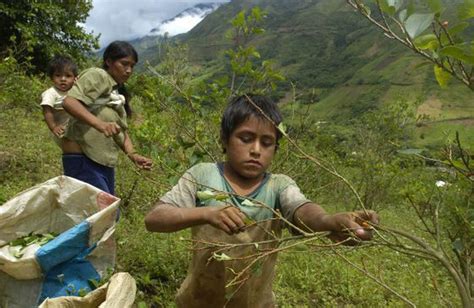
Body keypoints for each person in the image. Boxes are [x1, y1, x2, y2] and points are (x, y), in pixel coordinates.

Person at [144, 94, 379, 307]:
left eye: (266, 143)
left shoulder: (279, 186)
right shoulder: (203, 175)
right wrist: (206, 213)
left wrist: (328, 221)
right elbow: (155, 219)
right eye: (245, 139)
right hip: (198, 301)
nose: (256, 150)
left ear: (275, 149)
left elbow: (302, 209)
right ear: (224, 140)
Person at [62, 41, 152, 195]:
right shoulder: (98, 75)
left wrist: (133, 155)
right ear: (109, 61)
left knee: (104, 213)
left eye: (132, 66)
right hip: (83, 158)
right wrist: (100, 124)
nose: (129, 70)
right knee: (101, 213)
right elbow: (69, 102)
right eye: (124, 64)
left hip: (101, 162)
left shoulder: (116, 93)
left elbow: (120, 131)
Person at [40, 55, 78, 148]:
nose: (63, 79)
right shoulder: (50, 93)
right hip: (62, 131)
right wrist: (53, 127)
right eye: (58, 75)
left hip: (76, 128)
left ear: (74, 78)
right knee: (72, 151)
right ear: (52, 78)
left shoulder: (75, 90)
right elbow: (47, 112)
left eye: (68, 76)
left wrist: (78, 84)